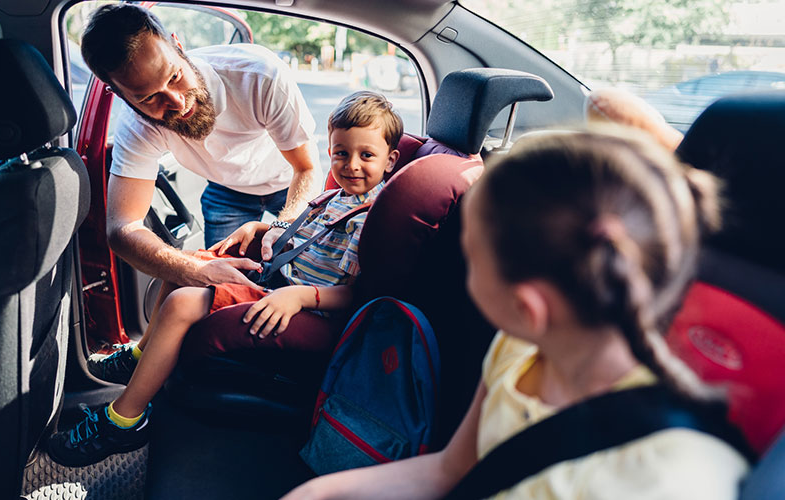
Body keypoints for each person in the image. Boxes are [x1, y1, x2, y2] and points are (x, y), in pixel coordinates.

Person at [281, 126, 749, 499]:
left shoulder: (665, 480)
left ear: (527, 307)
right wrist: (323, 491)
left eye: (468, 259)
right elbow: (452, 469)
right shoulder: (520, 348)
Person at [46, 91, 403, 467]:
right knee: (191, 263)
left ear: (391, 160)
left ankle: (124, 421)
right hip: (283, 280)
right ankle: (140, 355)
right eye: (340, 153)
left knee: (183, 300)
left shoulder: (373, 217)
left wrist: (300, 298)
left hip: (310, 308)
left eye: (366, 155)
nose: (351, 165)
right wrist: (262, 228)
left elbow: (361, 295)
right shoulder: (337, 198)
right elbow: (308, 241)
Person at [80, 3, 324, 289]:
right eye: (149, 99)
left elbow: (306, 167)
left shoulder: (259, 76)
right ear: (120, 97)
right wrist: (195, 270)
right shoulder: (136, 127)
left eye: (174, 77)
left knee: (310, 274)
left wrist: (285, 227)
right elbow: (123, 228)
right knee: (223, 287)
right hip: (227, 192)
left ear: (178, 45)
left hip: (290, 183)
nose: (176, 102)